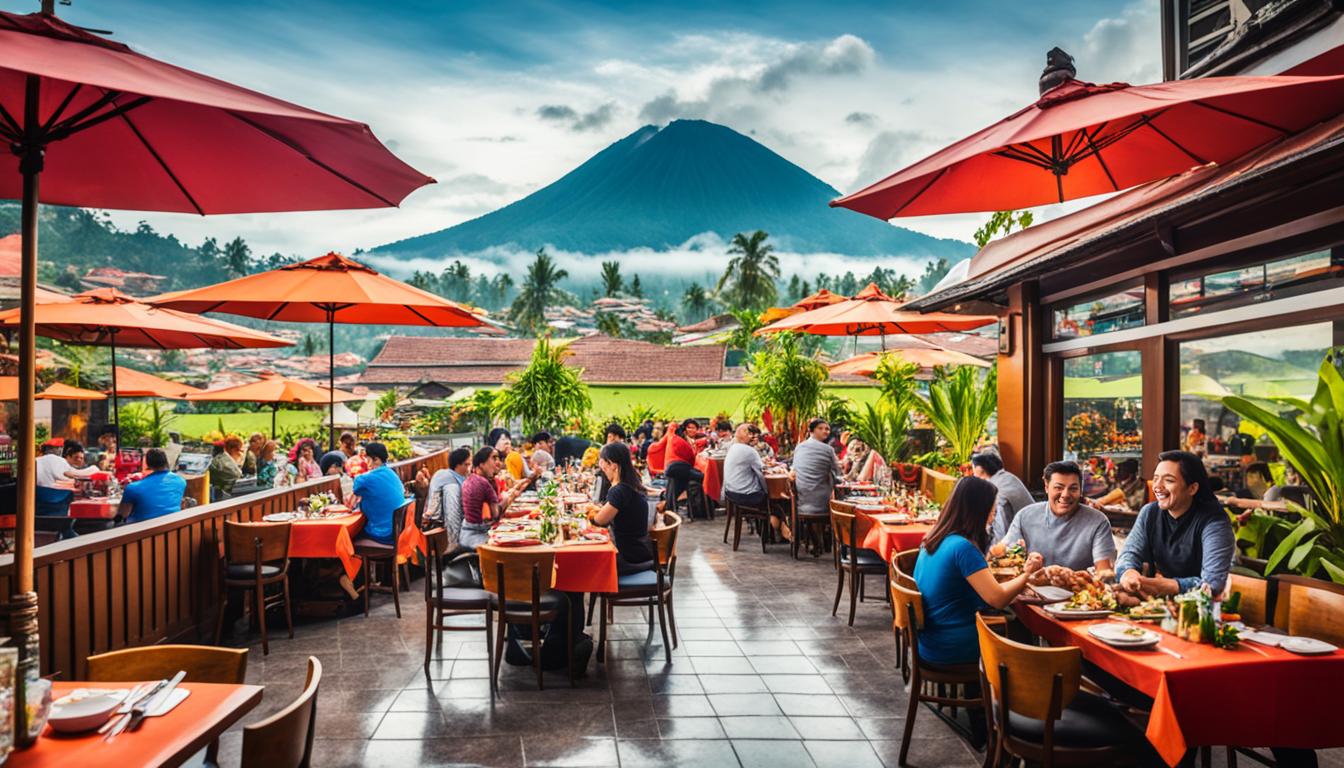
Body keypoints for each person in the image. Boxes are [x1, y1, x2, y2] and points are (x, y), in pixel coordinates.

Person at [914, 476, 1044, 666]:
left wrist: (990, 557)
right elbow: (997, 599)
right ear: (979, 509)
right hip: (954, 646)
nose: (993, 514)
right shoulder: (962, 547)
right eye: (992, 508)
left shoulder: (935, 538)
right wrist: (1027, 574)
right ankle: (1019, 686)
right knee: (1019, 628)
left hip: (931, 639)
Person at [1116, 450, 1235, 597]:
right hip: (1159, 607)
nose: (1157, 486)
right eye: (1156, 478)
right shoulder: (1149, 513)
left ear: (1192, 488)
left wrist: (1166, 585)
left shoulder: (1215, 521)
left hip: (1203, 610)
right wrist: (1128, 574)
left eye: (1169, 480)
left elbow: (1213, 584)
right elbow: (1129, 554)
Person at [995, 461, 1116, 573]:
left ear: (1081, 490)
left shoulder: (1098, 521)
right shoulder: (1025, 516)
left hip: (1077, 592)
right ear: (1047, 487)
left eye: (1073, 489)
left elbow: (1104, 572)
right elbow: (1005, 557)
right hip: (1030, 591)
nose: (1065, 495)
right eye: (1058, 487)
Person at [590, 442, 655, 574]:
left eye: (604, 465)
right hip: (640, 552)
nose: (603, 469)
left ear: (613, 465)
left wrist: (590, 511)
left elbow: (600, 521)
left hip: (628, 559)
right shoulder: (632, 484)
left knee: (583, 565)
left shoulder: (619, 490)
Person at [460, 446, 522, 549]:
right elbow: (496, 514)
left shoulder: (470, 479)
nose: (498, 463)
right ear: (481, 464)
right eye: (494, 458)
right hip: (478, 537)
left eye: (498, 459)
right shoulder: (483, 483)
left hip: (466, 534)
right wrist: (509, 498)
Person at [348, 442, 406, 546]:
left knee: (349, 536)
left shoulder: (366, 479)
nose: (366, 463)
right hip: (398, 532)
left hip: (383, 534)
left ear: (375, 459)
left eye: (367, 459)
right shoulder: (392, 473)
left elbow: (356, 487)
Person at [970, 451, 1034, 541]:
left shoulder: (996, 492)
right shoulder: (1008, 477)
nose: (973, 474)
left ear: (980, 469)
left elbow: (1001, 533)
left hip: (1026, 539)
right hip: (1032, 530)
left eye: (973, 469)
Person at [790, 419, 842, 522]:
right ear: (811, 431)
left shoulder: (799, 447)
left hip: (801, 503)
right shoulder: (828, 450)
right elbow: (839, 473)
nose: (825, 431)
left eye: (827, 429)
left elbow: (794, 470)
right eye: (820, 428)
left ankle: (815, 536)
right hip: (822, 505)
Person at [118, 448, 187, 524]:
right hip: (173, 529)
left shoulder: (133, 488)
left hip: (143, 532)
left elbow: (123, 514)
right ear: (166, 462)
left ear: (146, 465)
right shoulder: (181, 481)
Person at [424, 446, 471, 543]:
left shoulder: (460, 478)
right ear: (458, 465)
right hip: (441, 529)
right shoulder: (447, 479)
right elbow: (452, 514)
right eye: (467, 464)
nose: (469, 468)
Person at [722, 423, 767, 510]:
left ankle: (758, 521)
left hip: (730, 492)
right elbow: (761, 474)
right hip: (745, 495)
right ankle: (775, 522)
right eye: (752, 434)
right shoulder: (750, 451)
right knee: (776, 501)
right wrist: (768, 492)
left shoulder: (733, 447)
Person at [596, 424, 627, 502]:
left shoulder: (623, 454)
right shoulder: (604, 451)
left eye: (614, 439)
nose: (611, 442)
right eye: (610, 437)